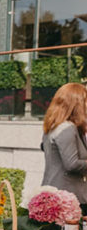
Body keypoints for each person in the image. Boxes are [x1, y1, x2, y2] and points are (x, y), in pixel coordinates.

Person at [41, 82, 87, 214]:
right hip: (69, 197)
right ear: (76, 104)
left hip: (55, 193)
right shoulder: (67, 128)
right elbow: (71, 164)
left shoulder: (53, 126)